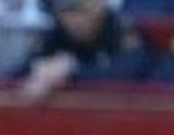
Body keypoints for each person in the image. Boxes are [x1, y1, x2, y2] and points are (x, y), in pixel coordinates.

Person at [16, 0, 152, 101]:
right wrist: (39, 73)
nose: (73, 20)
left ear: (99, 5)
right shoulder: (58, 33)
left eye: (80, 10)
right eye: (66, 12)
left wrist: (73, 72)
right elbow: (17, 75)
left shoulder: (122, 30)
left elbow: (128, 74)